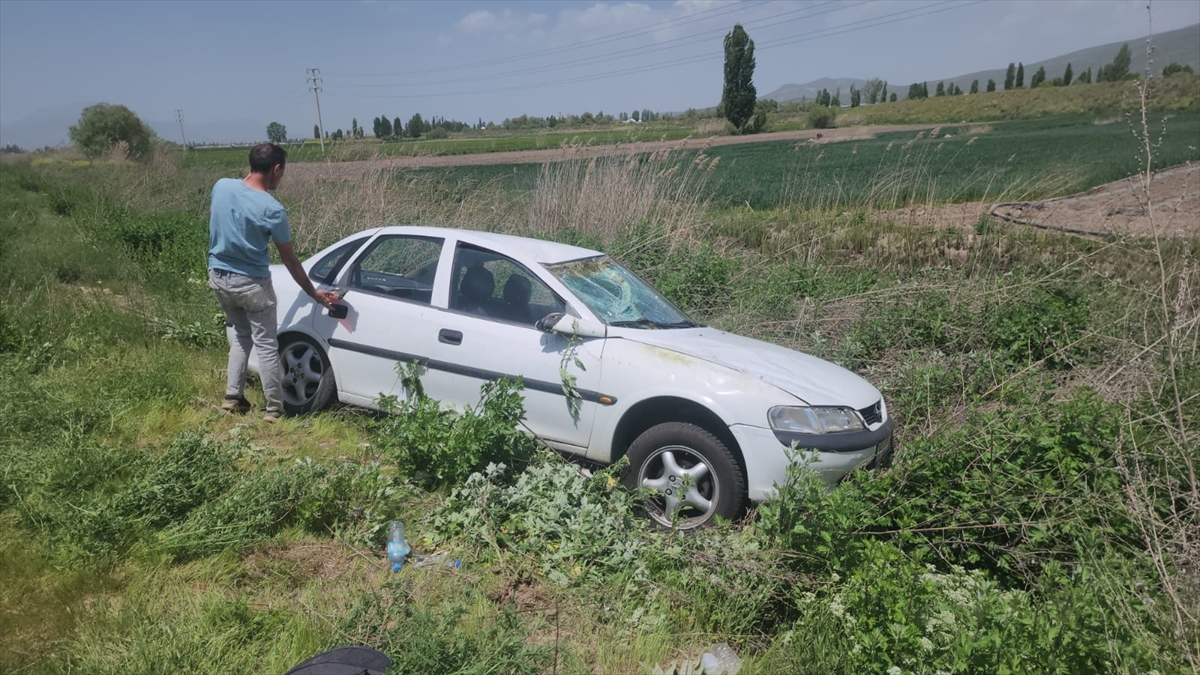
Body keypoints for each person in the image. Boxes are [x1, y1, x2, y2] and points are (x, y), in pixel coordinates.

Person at [208, 143, 338, 421]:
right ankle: (274, 409)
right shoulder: (272, 209)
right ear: (276, 169)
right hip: (251, 284)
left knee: (242, 337)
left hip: (218, 277)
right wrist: (314, 293)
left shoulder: (221, 187)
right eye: (283, 173)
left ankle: (233, 397)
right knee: (267, 345)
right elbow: (290, 260)